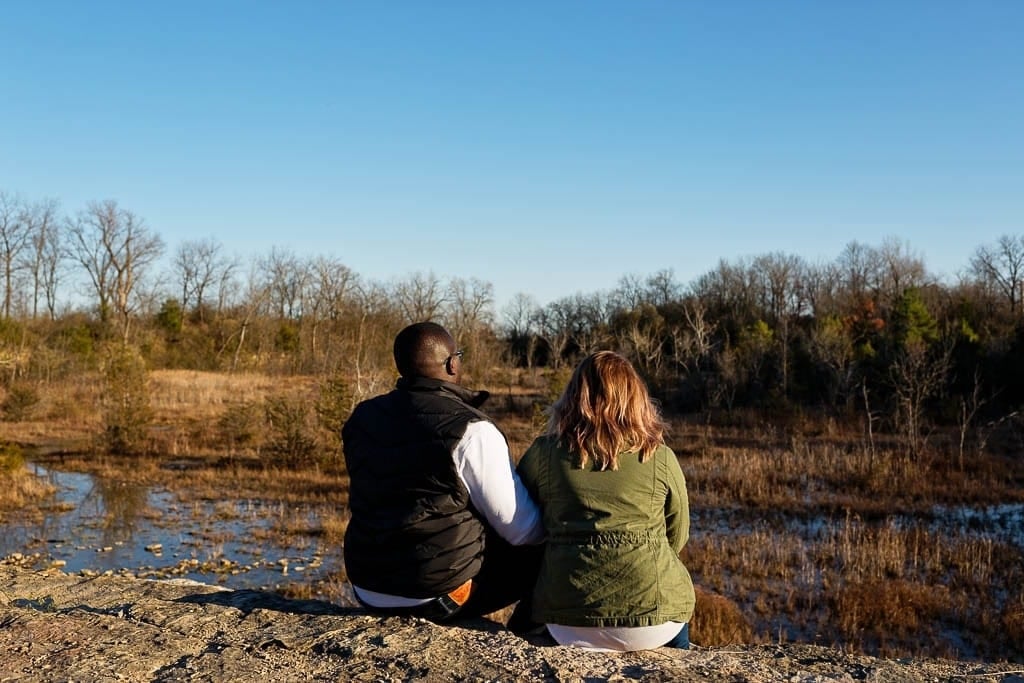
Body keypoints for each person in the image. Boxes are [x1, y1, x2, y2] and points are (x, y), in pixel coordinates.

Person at [342, 321, 544, 628]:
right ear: (452, 364)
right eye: (459, 355)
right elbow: (522, 530)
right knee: (548, 552)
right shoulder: (471, 430)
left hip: (366, 587)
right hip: (438, 596)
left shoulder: (362, 417)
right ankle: (529, 635)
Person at [516, 350, 695, 651]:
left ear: (574, 397)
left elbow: (518, 522)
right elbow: (678, 535)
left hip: (566, 618)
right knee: (674, 624)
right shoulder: (660, 456)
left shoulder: (543, 453)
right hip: (654, 620)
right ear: (636, 398)